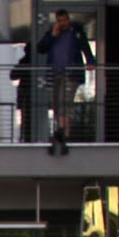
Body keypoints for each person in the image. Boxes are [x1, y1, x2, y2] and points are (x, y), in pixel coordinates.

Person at [36, 10, 94, 148]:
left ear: (68, 19)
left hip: (71, 74)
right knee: (56, 103)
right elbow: (41, 48)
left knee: (66, 102)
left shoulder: (76, 32)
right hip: (55, 74)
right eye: (60, 20)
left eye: (65, 19)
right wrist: (52, 35)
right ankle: (60, 130)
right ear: (57, 21)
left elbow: (85, 46)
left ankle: (65, 133)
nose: (63, 23)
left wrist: (91, 61)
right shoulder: (52, 33)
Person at [8, 43, 39, 143]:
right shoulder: (38, 60)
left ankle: (26, 138)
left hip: (25, 94)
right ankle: (30, 138)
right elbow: (13, 75)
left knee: (26, 119)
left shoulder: (24, 61)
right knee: (31, 117)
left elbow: (13, 75)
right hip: (32, 94)